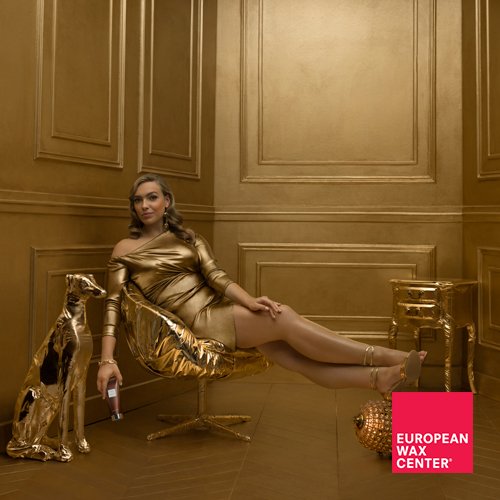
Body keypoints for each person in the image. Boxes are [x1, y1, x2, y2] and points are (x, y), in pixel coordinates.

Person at [97, 174, 426, 401]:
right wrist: (107, 360)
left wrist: (250, 300)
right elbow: (113, 304)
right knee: (283, 318)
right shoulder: (124, 249)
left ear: (166, 201)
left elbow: (218, 277)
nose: (145, 205)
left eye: (152, 197)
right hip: (194, 324)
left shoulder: (188, 237)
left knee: (296, 360)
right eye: (138, 200)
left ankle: (378, 378)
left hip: (219, 308)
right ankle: (384, 356)